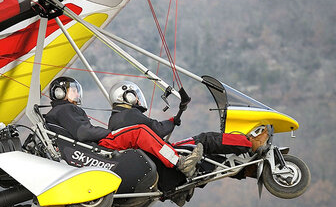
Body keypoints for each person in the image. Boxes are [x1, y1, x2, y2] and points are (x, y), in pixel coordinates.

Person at [44, 76, 203, 178]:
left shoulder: (57, 113)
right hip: (93, 147)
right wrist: (109, 133)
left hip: (84, 149)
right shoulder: (65, 109)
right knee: (140, 132)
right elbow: (83, 132)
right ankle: (180, 163)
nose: (77, 95)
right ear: (59, 92)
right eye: (73, 91)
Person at [108, 81, 269, 157]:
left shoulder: (114, 119)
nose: (137, 100)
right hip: (165, 155)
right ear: (127, 96)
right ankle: (250, 143)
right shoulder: (130, 115)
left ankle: (246, 170)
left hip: (153, 156)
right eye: (134, 96)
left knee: (207, 156)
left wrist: (172, 120)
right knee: (205, 139)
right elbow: (157, 129)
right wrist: (172, 121)